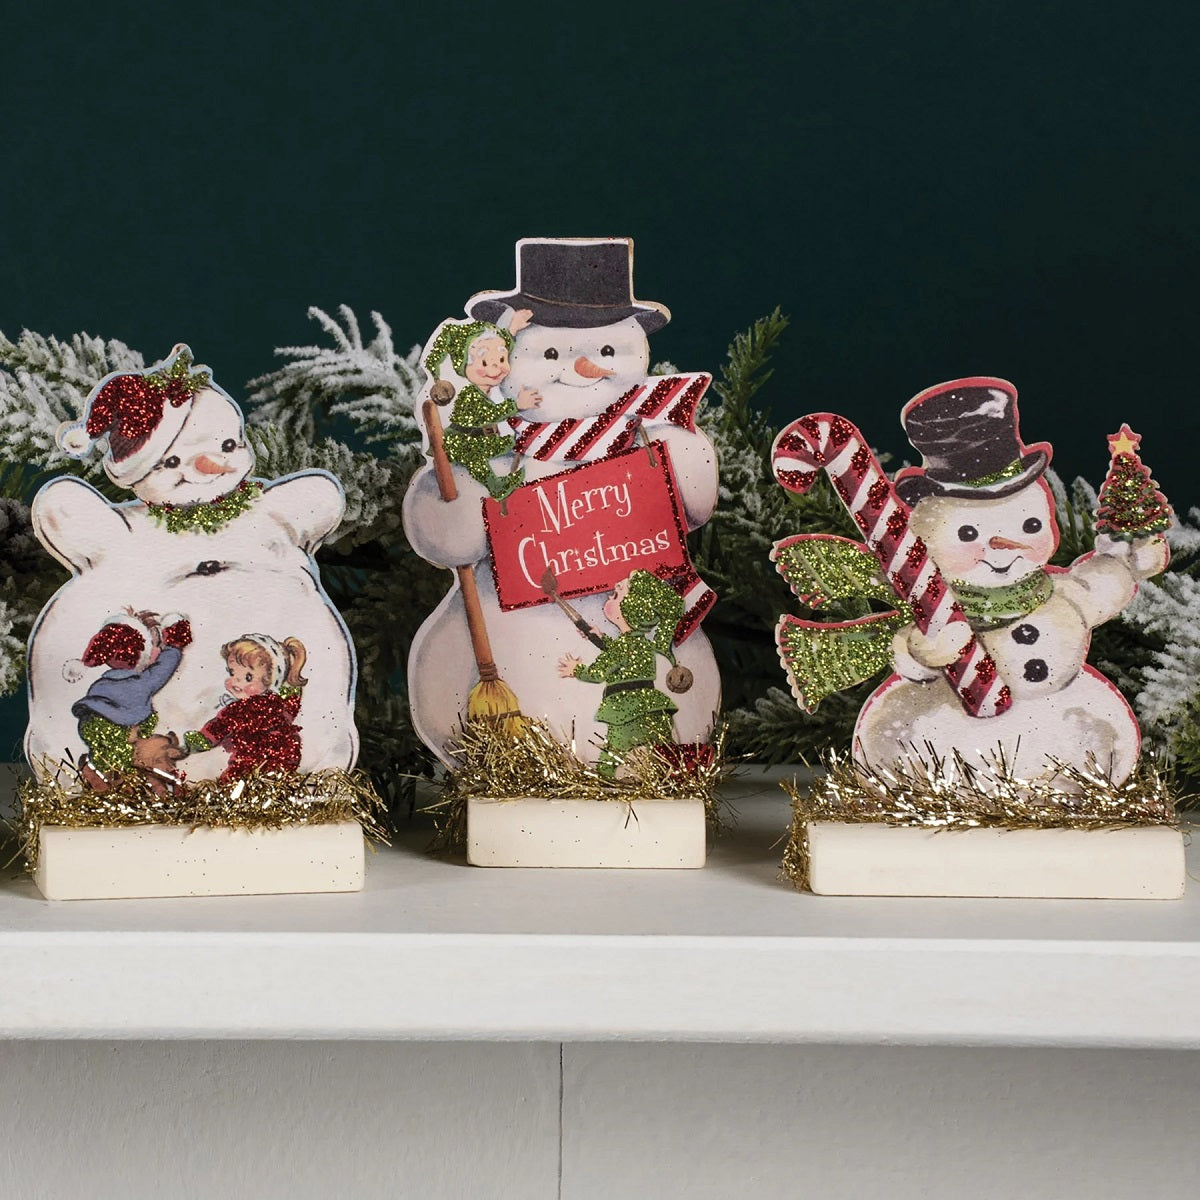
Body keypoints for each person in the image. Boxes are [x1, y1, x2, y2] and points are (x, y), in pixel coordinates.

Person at [557, 570, 683, 777]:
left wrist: (576, 669)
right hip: (654, 710)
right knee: (665, 754)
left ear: (628, 610)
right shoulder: (641, 642)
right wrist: (600, 637)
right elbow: (624, 657)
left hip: (626, 713)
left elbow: (597, 673)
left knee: (610, 758)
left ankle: (605, 780)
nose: (609, 596)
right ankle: (675, 776)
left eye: (616, 595)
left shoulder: (623, 646)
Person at [424, 309, 539, 500]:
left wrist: (512, 328)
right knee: (474, 457)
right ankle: (495, 486)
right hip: (460, 443)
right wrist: (516, 405)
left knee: (512, 443)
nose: (497, 367)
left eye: (501, 360)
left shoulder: (488, 389)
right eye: (485, 363)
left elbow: (504, 344)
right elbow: (487, 414)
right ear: (465, 366)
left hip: (482, 438)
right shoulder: (469, 395)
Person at [70, 609, 192, 781]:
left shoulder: (100, 685)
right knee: (128, 767)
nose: (158, 651)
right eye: (155, 645)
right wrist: (174, 645)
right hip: (120, 732)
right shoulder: (141, 683)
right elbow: (164, 667)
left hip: (90, 726)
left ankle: (96, 773)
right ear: (141, 652)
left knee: (106, 762)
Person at [185, 634, 308, 780]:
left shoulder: (241, 709)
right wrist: (292, 689)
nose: (236, 682)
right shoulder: (279, 704)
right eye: (232, 673)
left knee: (233, 781)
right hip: (287, 753)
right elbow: (291, 707)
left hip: (252, 757)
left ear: (270, 680)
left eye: (248, 677)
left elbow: (221, 725)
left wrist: (203, 739)